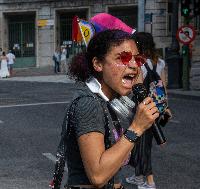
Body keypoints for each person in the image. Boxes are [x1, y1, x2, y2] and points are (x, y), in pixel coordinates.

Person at [63, 29, 159, 189]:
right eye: (124, 58)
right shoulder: (88, 103)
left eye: (138, 59)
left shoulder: (112, 101)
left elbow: (125, 158)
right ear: (98, 64)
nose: (134, 65)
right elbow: (98, 175)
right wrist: (136, 128)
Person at [126, 32, 172, 189]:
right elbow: (163, 86)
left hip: (142, 107)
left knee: (142, 145)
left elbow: (133, 88)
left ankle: (149, 181)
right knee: (140, 143)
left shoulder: (139, 64)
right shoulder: (160, 62)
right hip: (157, 107)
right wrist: (165, 107)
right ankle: (138, 176)